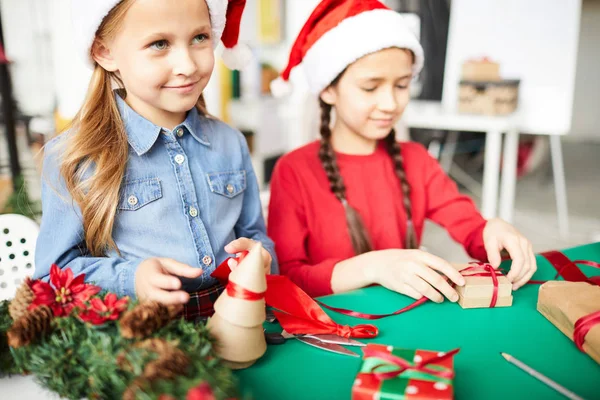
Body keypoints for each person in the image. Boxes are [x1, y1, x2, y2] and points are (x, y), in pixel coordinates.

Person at [268, 0, 536, 300]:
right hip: (333, 328)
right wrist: (372, 267)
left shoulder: (416, 160)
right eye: (370, 87)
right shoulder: (294, 171)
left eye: (402, 85)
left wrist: (492, 232)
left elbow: (470, 227)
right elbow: (286, 277)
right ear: (328, 89)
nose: (390, 104)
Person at [34, 0, 277, 320]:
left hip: (239, 321)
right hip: (142, 341)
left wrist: (260, 257)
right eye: (159, 44)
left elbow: (256, 235)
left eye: (200, 38)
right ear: (104, 52)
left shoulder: (230, 142)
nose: (187, 65)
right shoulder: (74, 158)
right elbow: (52, 277)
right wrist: (131, 278)